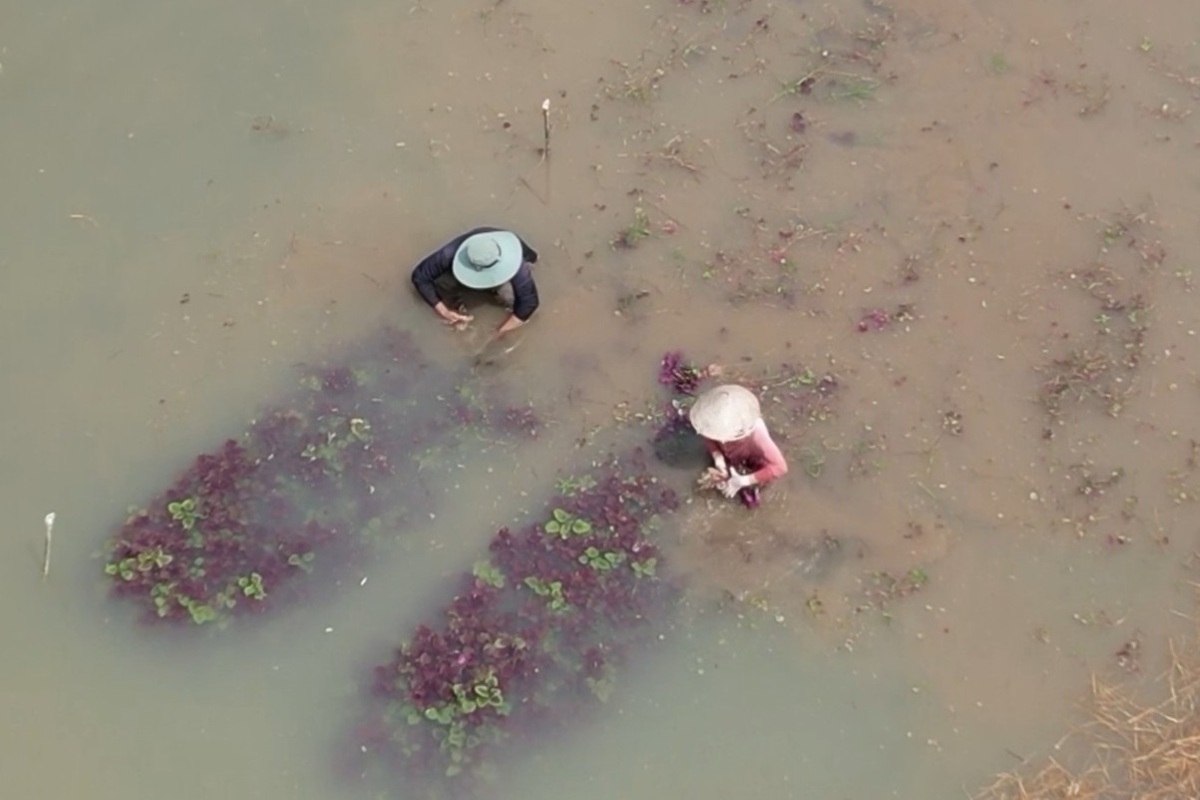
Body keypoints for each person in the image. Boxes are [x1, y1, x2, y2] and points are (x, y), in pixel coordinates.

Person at [410, 227, 540, 337]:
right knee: (443, 283)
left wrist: (498, 333)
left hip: (511, 273)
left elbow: (529, 304)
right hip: (473, 265)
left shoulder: (517, 266)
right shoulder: (450, 253)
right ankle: (458, 304)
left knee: (509, 297)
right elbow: (420, 277)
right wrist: (444, 311)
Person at [688, 384, 788, 499]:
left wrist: (744, 480)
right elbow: (708, 434)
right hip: (730, 456)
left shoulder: (757, 434)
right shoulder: (709, 421)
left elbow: (780, 467)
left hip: (753, 461)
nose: (722, 440)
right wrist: (718, 458)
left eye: (725, 437)